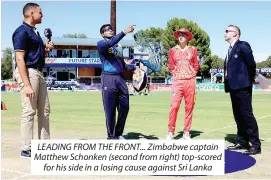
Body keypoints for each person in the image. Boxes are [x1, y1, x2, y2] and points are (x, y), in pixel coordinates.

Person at [12, 2, 54, 158]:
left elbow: (35, 56)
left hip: (38, 72)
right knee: (29, 111)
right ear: (31, 14)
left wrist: (46, 50)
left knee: (44, 111)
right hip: (29, 73)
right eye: (40, 13)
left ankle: (44, 145)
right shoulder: (22, 32)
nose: (42, 15)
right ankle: (26, 148)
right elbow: (20, 59)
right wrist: (27, 84)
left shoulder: (34, 33)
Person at [224, 25, 261, 155]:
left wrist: (247, 80)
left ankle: (255, 144)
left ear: (235, 34)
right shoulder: (229, 49)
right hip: (233, 87)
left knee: (246, 114)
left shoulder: (243, 45)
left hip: (243, 86)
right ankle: (241, 141)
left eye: (227, 31)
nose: (225, 33)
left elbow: (251, 64)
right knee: (238, 115)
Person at [97, 24, 135, 140]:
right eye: (107, 30)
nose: (110, 30)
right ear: (103, 34)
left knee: (125, 107)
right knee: (110, 110)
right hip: (108, 77)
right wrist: (124, 32)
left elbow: (121, 62)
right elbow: (109, 43)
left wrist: (130, 67)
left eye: (111, 29)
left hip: (120, 78)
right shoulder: (101, 43)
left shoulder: (118, 46)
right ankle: (111, 137)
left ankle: (118, 133)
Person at [166, 28, 200, 140]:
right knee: (174, 106)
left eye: (183, 35)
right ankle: (171, 132)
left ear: (187, 37)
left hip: (190, 81)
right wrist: (176, 74)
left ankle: (186, 132)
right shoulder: (172, 50)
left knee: (189, 107)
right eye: (179, 35)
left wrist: (192, 73)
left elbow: (196, 65)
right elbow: (170, 66)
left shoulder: (193, 50)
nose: (181, 36)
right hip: (178, 81)